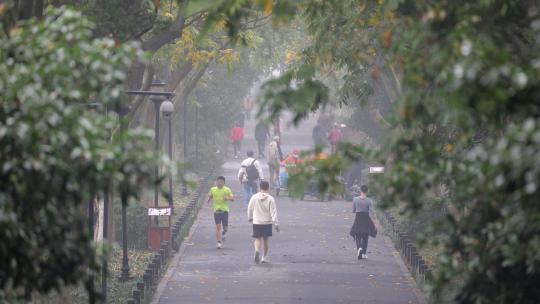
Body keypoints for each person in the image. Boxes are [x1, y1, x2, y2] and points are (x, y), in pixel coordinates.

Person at [248, 180, 279, 264]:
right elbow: (273, 212)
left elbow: (250, 208)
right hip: (267, 222)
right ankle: (264, 257)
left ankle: (257, 250)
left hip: (257, 221)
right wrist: (276, 224)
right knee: (266, 240)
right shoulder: (270, 199)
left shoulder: (254, 197)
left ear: (260, 187)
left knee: (257, 239)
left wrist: (250, 217)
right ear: (268, 188)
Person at [349, 185, 379, 259]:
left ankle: (359, 248)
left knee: (357, 235)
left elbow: (353, 210)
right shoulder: (369, 200)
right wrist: (376, 222)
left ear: (360, 191)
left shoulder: (355, 199)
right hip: (366, 218)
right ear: (367, 191)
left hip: (358, 217)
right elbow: (372, 212)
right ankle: (364, 254)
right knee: (365, 236)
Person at [206, 176, 234, 249]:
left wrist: (227, 198)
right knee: (218, 227)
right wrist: (208, 199)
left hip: (225, 211)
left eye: (221, 182)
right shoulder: (213, 189)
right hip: (217, 211)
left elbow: (232, 198)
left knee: (225, 228)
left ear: (224, 183)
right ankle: (219, 243)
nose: (220, 183)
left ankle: (223, 233)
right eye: (218, 182)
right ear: (216, 182)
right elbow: (210, 195)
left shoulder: (227, 190)